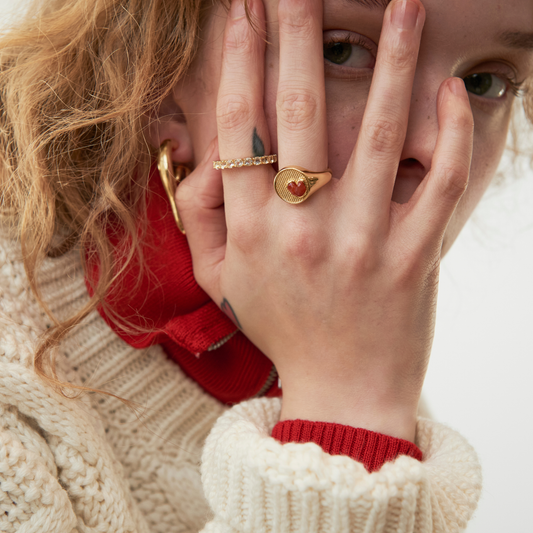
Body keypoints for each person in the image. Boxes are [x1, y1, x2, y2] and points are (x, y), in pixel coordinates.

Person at [0, 0, 531, 530]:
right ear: (157, 80)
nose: (438, 149)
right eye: (341, 51)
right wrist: (343, 420)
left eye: (485, 82)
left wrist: (344, 403)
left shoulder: (366, 364)